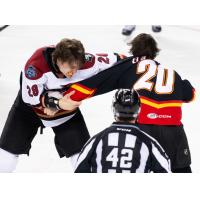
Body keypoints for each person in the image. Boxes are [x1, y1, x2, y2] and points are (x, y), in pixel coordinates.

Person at [63, 33, 195, 173]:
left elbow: (99, 81)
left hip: (144, 129)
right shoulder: (170, 71)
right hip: (173, 131)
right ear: (155, 52)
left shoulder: (128, 65)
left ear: (133, 50)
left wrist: (67, 97)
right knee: (181, 172)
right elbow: (190, 95)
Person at [0, 38, 125, 172]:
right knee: (6, 155)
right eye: (70, 66)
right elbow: (31, 98)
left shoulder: (88, 62)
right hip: (29, 109)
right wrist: (57, 103)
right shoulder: (36, 65)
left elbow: (122, 59)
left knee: (82, 157)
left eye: (76, 66)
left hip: (64, 110)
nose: (73, 72)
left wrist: (143, 60)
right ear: (58, 59)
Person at [75, 89, 171, 173]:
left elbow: (79, 171)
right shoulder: (150, 143)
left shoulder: (96, 141)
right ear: (138, 110)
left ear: (113, 108)